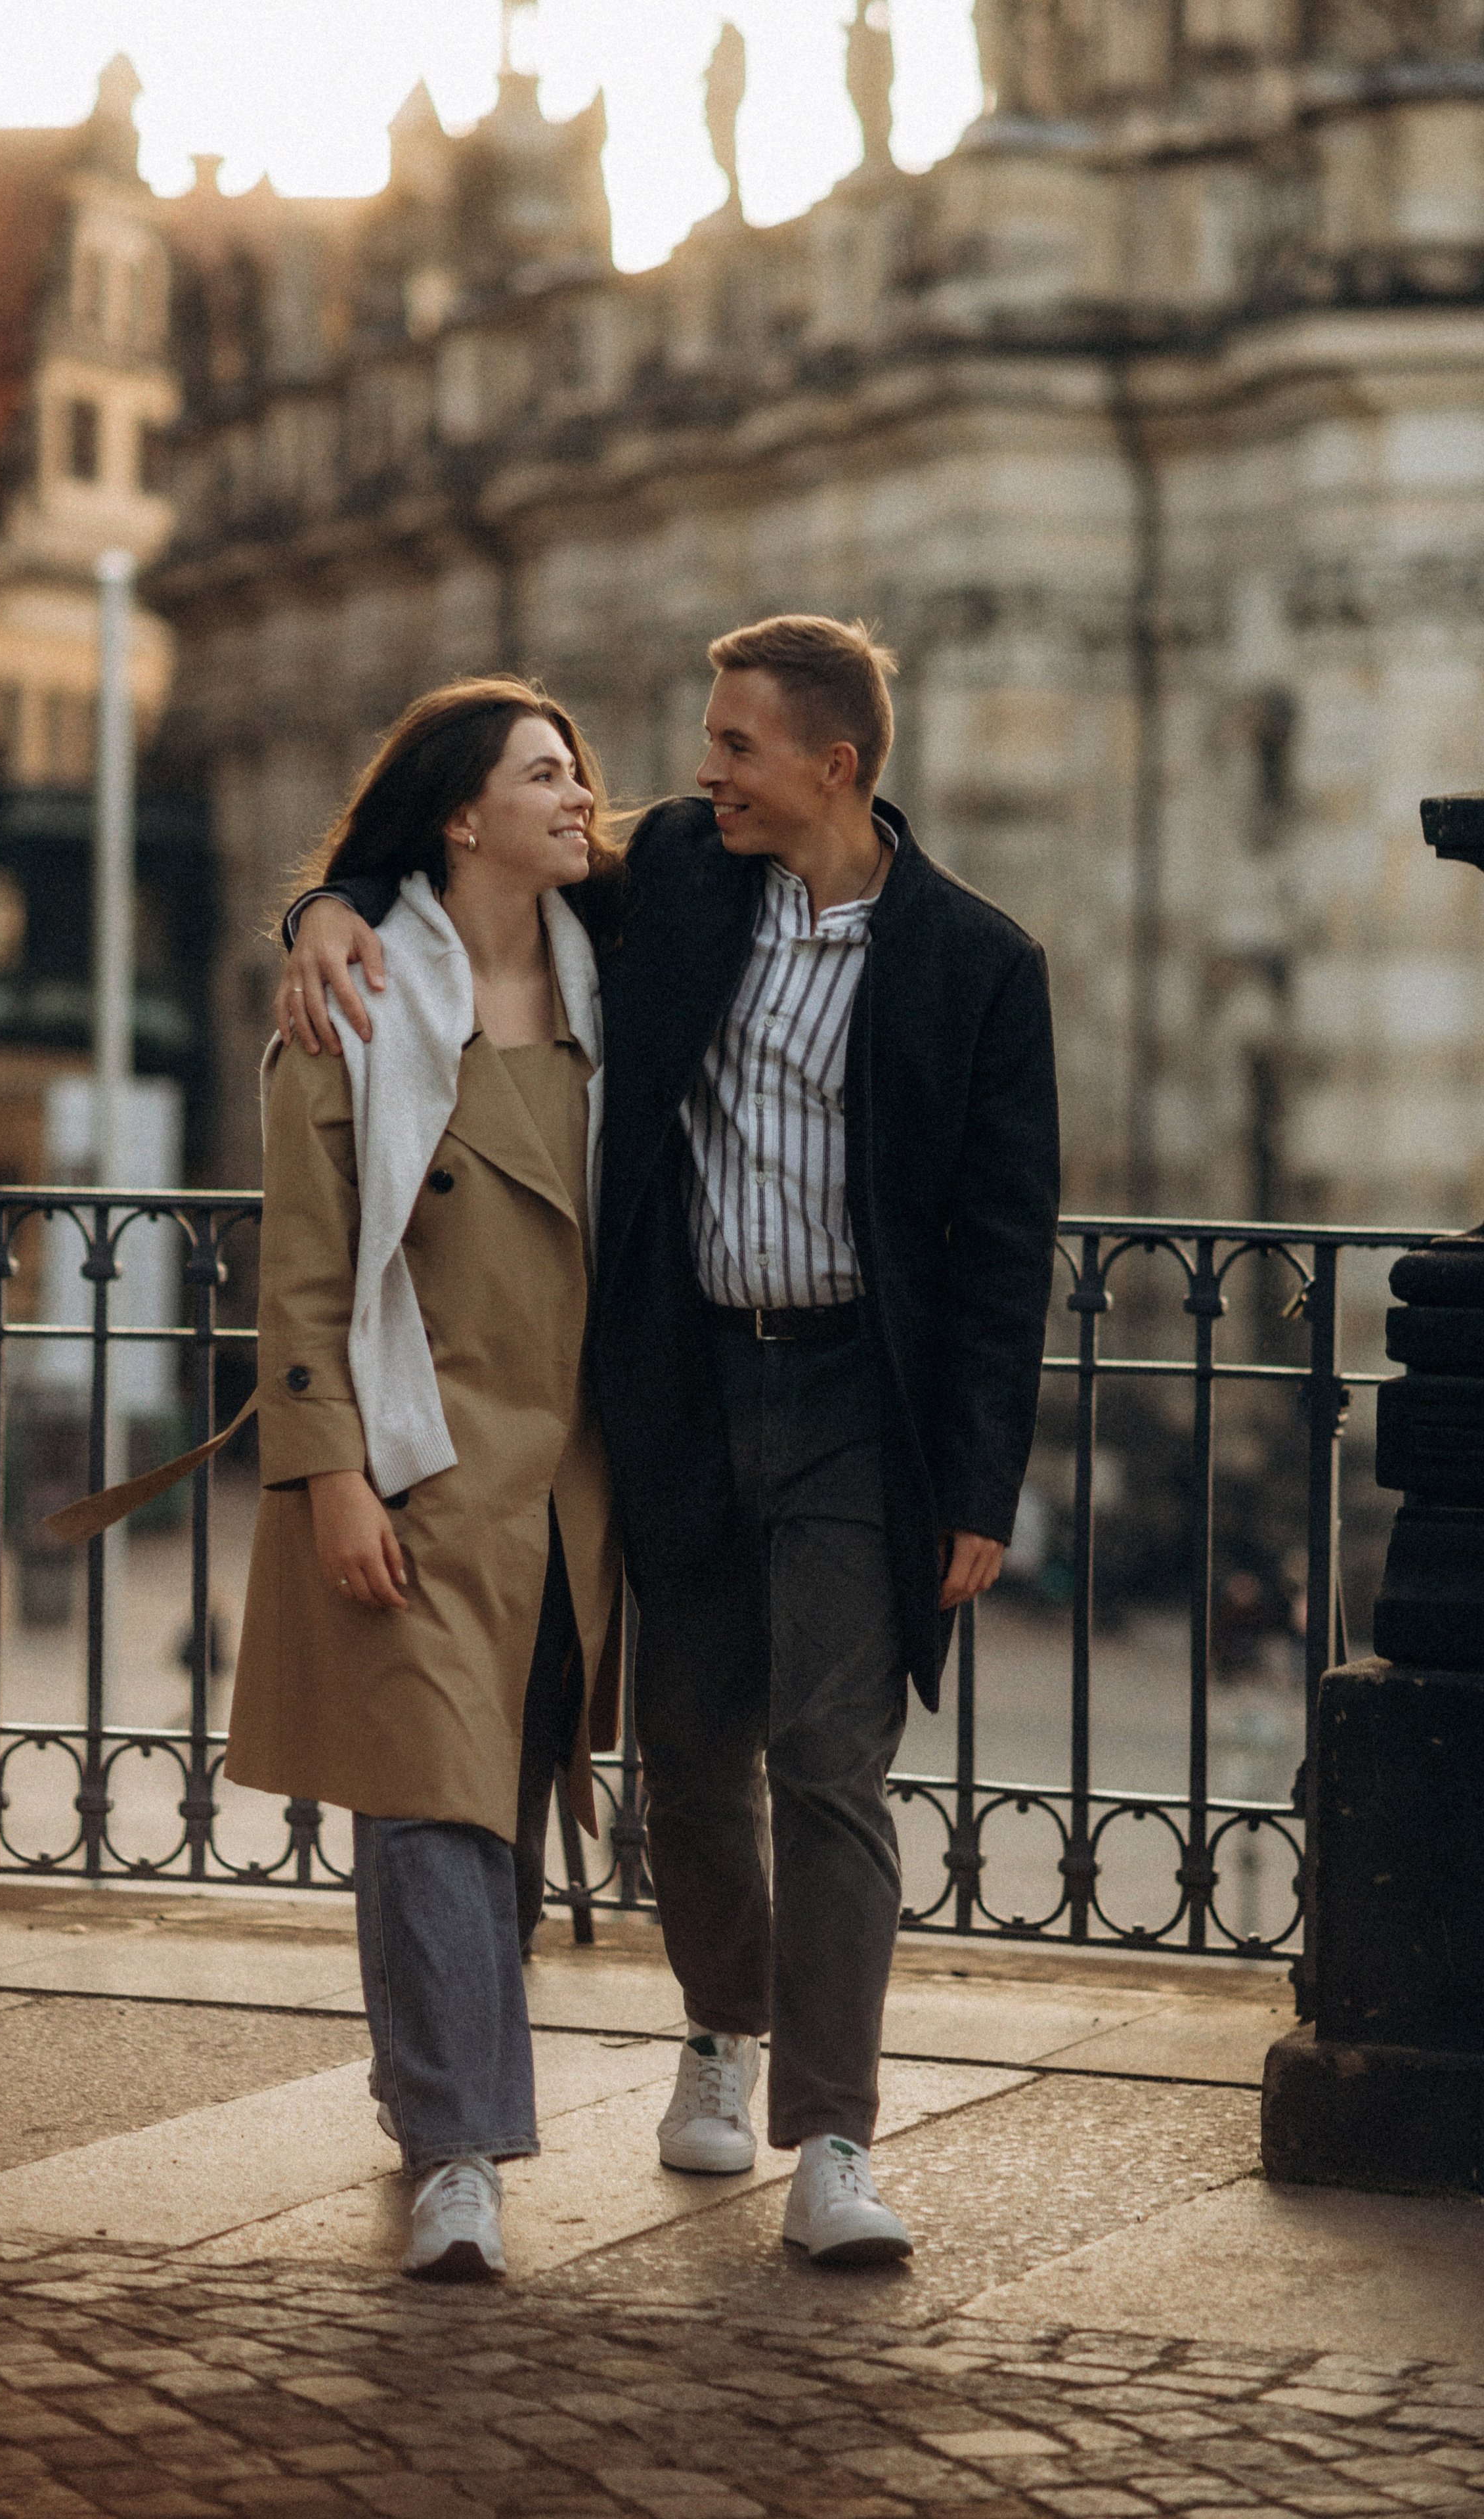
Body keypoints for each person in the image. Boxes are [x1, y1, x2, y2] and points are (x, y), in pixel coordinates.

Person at [278, 616, 1060, 2268]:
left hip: (863, 1406)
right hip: (686, 1394)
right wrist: (321, 905)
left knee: (832, 1766)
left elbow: (1004, 1243)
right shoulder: (679, 880)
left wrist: (982, 1482)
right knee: (691, 1761)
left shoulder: (978, 963)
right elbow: (465, 848)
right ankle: (721, 2024)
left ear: (829, 766)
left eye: (731, 747)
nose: (688, 777)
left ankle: (833, 2137)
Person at [234, 676, 623, 2281]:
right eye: (546, 773)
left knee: (502, 1806)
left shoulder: (626, 961)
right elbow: (307, 1255)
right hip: (414, 1450)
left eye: (581, 769)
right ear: (462, 816)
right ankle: (461, 2151)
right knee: (427, 1807)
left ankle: (431, 2094)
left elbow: (768, 833)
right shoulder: (364, 998)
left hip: (576, 1469)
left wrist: (314, 896)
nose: (581, 794)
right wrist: (328, 1468)